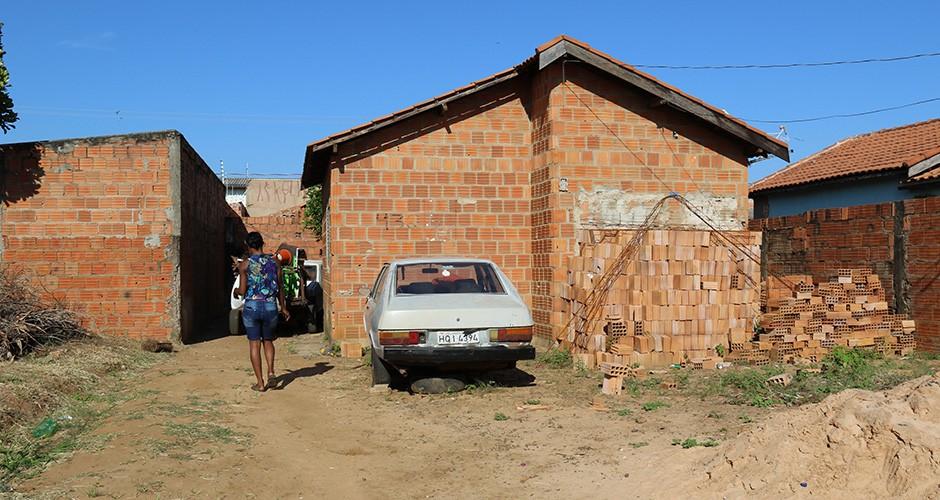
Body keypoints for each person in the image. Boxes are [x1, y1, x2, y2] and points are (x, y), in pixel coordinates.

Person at [233, 232, 289, 391]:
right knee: (268, 341)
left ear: (248, 245)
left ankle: (260, 383)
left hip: (252, 307)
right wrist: (283, 307)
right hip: (271, 306)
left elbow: (243, 290)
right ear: (262, 243)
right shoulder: (274, 263)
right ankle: (271, 372)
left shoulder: (245, 264)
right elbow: (280, 288)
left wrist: (236, 291)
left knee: (254, 344)